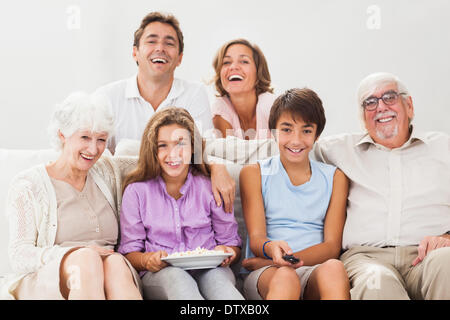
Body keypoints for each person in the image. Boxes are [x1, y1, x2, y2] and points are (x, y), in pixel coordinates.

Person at [313, 72, 450, 299]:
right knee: (377, 282)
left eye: (389, 97)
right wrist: (229, 169)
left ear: (409, 105)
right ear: (362, 117)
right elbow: (282, 145)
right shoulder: (338, 150)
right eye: (370, 102)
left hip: (430, 256)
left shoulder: (444, 148)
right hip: (367, 258)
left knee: (448, 261)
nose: (381, 107)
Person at [5, 92, 142, 300]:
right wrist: (76, 252)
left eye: (101, 139)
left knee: (116, 263)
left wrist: (211, 164)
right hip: (52, 275)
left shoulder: (108, 170)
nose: (94, 149)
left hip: (108, 271)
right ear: (62, 134)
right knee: (86, 260)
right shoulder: (28, 185)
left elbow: (160, 157)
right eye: (85, 137)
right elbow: (18, 255)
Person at [95, 11, 235, 214]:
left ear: (179, 58)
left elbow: (202, 150)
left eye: (169, 43)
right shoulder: (107, 96)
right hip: (124, 200)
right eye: (151, 41)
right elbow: (97, 158)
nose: (160, 48)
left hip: (180, 200)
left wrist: (217, 166)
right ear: (135, 52)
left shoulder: (194, 93)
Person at [117, 107, 244, 300]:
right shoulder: (137, 192)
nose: (173, 154)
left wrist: (226, 252)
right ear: (153, 149)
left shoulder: (210, 186)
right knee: (179, 281)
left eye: (180, 144)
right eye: (163, 145)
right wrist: (146, 260)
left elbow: (231, 243)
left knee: (220, 287)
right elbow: (129, 251)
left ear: (193, 147)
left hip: (210, 267)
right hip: (162, 273)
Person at [239, 88, 350, 300]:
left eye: (306, 131)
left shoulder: (335, 178)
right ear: (273, 132)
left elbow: (332, 247)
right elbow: (256, 239)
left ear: (317, 135)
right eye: (287, 130)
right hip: (267, 274)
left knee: (335, 268)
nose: (296, 140)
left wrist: (285, 260)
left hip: (312, 270)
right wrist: (273, 257)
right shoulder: (254, 173)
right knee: (286, 277)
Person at [211, 38, 276, 140]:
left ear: (258, 71)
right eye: (226, 62)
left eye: (244, 61)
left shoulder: (270, 105)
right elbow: (229, 153)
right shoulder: (220, 109)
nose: (233, 67)